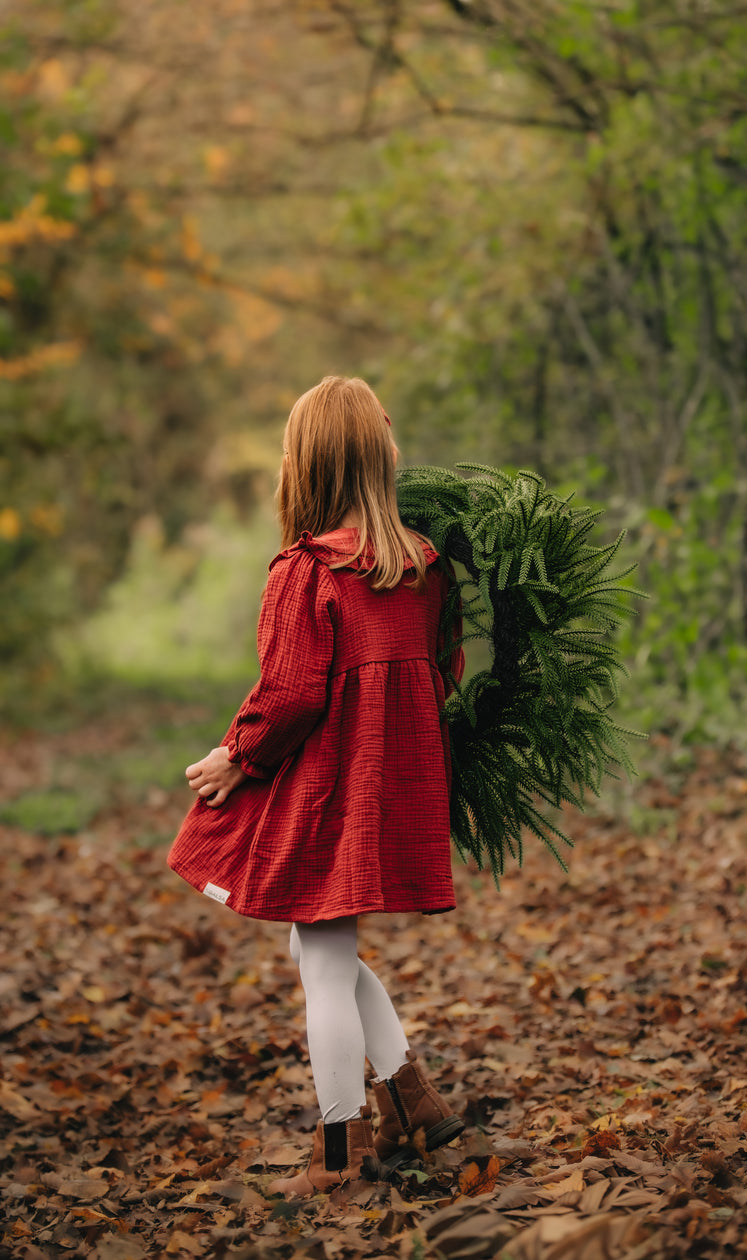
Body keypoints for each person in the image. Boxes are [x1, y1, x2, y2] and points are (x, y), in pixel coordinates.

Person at [167, 375, 465, 1196]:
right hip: (395, 784)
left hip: (334, 789)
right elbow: (445, 672)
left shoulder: (308, 571)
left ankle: (341, 1151)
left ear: (307, 465)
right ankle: (415, 1101)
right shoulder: (425, 567)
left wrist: (236, 755)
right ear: (379, 459)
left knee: (325, 963)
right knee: (317, 943)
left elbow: (292, 693)